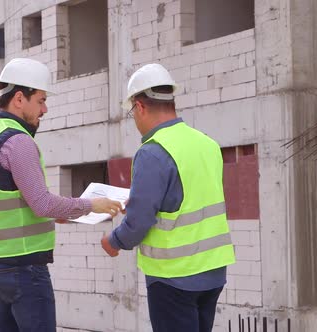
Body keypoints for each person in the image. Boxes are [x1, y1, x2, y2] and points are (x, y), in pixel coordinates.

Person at [0, 58, 122, 332]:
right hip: (23, 267)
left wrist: (60, 215)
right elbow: (41, 203)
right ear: (19, 99)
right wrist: (92, 205)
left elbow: (13, 200)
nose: (45, 109)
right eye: (40, 100)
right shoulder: (18, 142)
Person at [100, 63, 236, 332]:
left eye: (132, 112)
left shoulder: (152, 152)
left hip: (174, 277)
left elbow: (140, 222)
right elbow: (187, 200)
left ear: (140, 106)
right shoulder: (206, 144)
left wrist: (113, 240)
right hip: (212, 272)